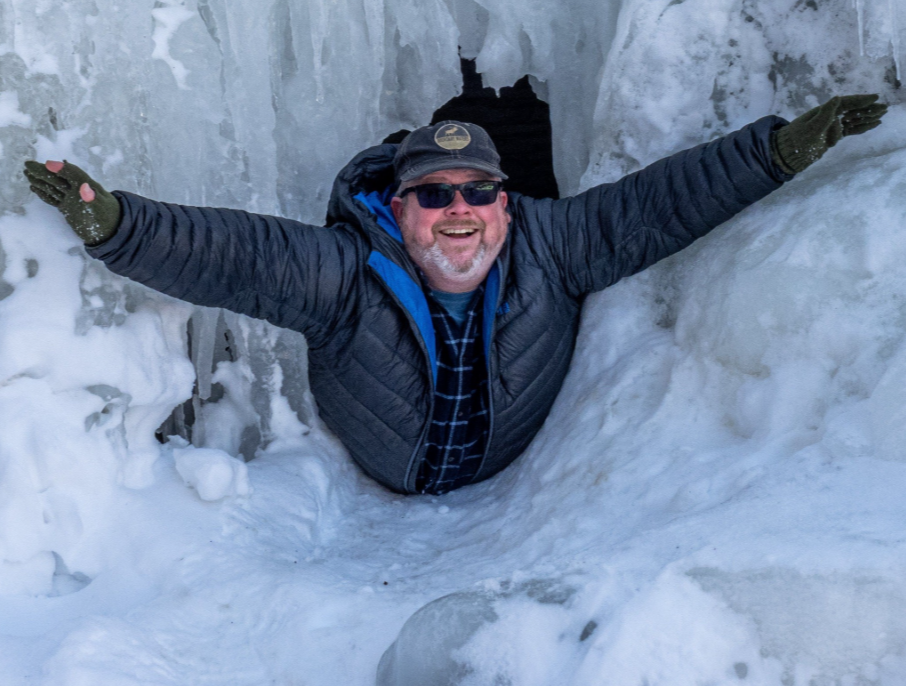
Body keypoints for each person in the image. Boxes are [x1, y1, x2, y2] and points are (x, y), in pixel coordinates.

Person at [23, 94, 886, 495]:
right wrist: (116, 224)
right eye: (434, 196)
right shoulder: (344, 273)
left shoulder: (555, 247)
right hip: (381, 481)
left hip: (506, 486)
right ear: (399, 211)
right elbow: (236, 257)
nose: (459, 213)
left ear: (505, 205)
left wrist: (778, 150)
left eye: (477, 193)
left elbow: (661, 204)